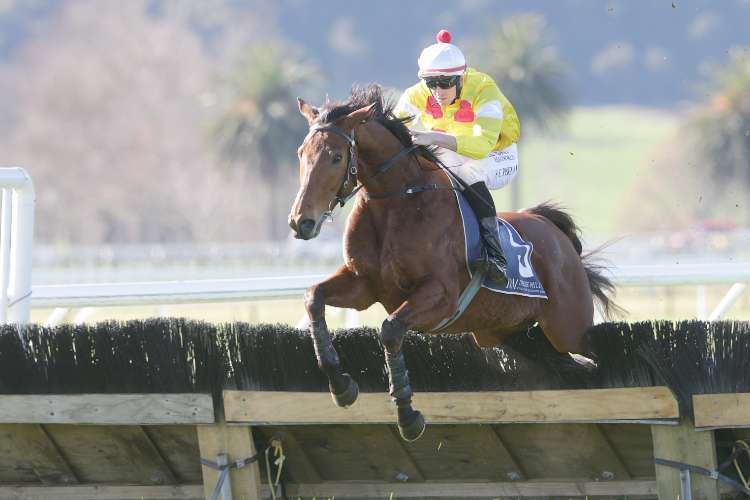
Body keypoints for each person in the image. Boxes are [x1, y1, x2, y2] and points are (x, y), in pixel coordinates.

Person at [394, 29, 521, 285]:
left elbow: (481, 147)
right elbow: (393, 127)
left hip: (498, 153)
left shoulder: (484, 89)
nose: (438, 91)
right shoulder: (418, 93)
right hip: (453, 147)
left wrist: (433, 137)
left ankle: (496, 255)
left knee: (467, 171)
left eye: (445, 83)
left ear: (461, 78)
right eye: (431, 83)